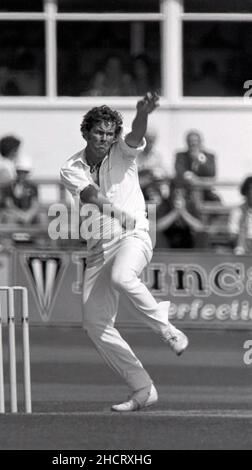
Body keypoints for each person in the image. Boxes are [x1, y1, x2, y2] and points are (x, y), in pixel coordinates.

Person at [60, 92, 189, 412]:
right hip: (98, 248)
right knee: (94, 324)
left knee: (122, 276)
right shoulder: (71, 166)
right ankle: (143, 388)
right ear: (86, 132)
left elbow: (135, 134)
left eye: (108, 133)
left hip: (133, 236)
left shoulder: (123, 151)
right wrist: (115, 212)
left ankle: (168, 330)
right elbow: (89, 194)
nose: (104, 138)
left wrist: (142, 113)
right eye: (98, 132)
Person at [156, 178, 207, 249]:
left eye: (181, 191)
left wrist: (183, 212)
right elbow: (158, 227)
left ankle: (199, 259)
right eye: (176, 191)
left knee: (203, 235)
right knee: (155, 235)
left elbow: (200, 227)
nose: (178, 194)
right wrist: (175, 212)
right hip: (168, 237)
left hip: (187, 237)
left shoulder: (191, 204)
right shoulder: (165, 203)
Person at [175, 130, 220, 202]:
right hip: (185, 192)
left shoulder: (209, 156)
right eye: (190, 141)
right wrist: (190, 177)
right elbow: (180, 171)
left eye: (195, 141)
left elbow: (211, 174)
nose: (193, 143)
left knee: (218, 205)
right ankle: (151, 213)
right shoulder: (181, 156)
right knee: (153, 204)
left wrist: (201, 161)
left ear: (200, 142)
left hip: (205, 192)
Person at [0, 158, 40, 225]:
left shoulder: (33, 186)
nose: (22, 175)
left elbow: (35, 204)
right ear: (16, 172)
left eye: (25, 172)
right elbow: (9, 205)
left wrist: (28, 215)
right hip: (14, 215)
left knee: (41, 219)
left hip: (28, 215)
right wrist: (20, 215)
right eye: (20, 172)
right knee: (9, 219)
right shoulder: (9, 186)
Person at [228, 176, 252, 255]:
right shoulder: (237, 211)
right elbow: (232, 236)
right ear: (246, 192)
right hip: (243, 249)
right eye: (250, 190)